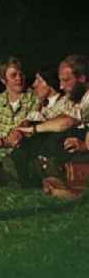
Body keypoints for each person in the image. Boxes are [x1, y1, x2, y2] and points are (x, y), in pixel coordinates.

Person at [9, 55, 89, 183]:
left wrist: (33, 129)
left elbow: (67, 121)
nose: (61, 87)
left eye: (66, 80)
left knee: (58, 133)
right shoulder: (77, 97)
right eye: (60, 81)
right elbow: (60, 118)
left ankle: (34, 172)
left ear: (82, 78)